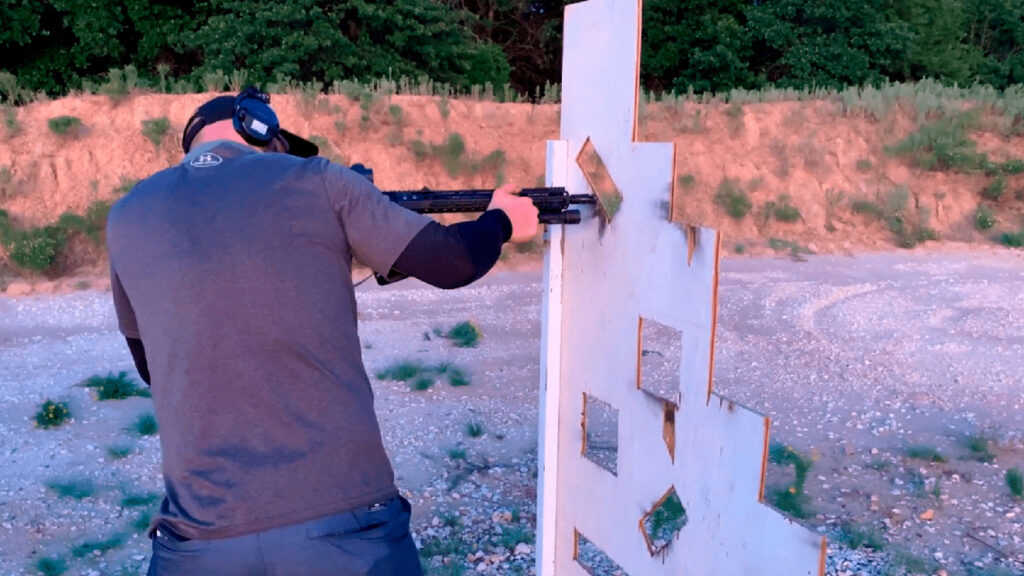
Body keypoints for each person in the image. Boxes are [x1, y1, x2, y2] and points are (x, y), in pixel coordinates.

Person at [105, 86, 538, 576]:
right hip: (346, 524)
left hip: (199, 537)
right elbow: (453, 260)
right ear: (263, 130)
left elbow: (150, 368)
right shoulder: (319, 181)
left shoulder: (126, 216)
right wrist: (502, 220)